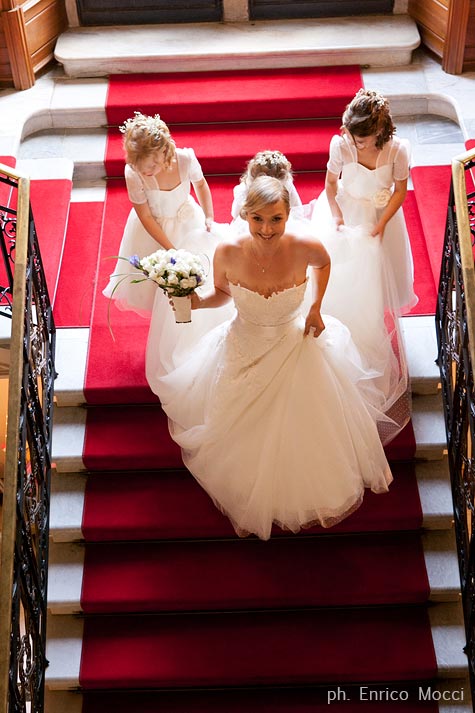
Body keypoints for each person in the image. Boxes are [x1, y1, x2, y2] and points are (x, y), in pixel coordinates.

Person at [152, 176, 393, 541]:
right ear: (245, 216)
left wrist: (315, 308)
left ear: (287, 215)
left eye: (276, 219)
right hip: (243, 346)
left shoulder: (305, 246)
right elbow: (221, 293)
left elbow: (324, 264)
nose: (267, 229)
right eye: (258, 219)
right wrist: (196, 302)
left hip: (292, 344)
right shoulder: (227, 252)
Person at [311, 88, 415, 443]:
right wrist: (338, 217)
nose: (357, 145)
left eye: (364, 139)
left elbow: (399, 190)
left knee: (372, 282)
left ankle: (368, 334)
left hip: (379, 219)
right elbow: (329, 184)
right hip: (346, 215)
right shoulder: (340, 145)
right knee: (339, 279)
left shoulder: (398, 151)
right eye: (353, 138)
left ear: (380, 130)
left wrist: (380, 225)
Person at [103, 111, 223, 316]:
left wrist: (209, 216)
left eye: (151, 165)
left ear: (165, 151)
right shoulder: (134, 173)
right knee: (162, 291)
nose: (146, 171)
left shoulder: (185, 159)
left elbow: (201, 185)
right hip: (154, 231)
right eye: (140, 167)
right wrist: (171, 249)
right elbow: (146, 216)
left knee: (200, 274)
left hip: (188, 221)